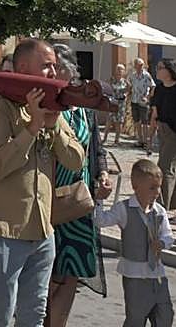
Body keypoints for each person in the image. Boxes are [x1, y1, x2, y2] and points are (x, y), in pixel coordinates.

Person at [0, 38, 85, 327]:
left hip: (42, 230)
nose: (54, 74)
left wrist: (53, 123)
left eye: (55, 67)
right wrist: (32, 127)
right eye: (47, 66)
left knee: (33, 316)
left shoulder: (50, 110)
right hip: (1, 230)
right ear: (23, 67)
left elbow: (76, 160)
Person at [46, 45, 112, 327]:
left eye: (57, 66)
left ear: (70, 71)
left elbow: (96, 148)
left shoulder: (84, 110)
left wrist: (104, 174)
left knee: (71, 270)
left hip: (79, 202)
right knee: (47, 271)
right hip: (48, 201)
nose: (52, 71)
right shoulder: (44, 105)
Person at [91, 159, 175, 327]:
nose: (157, 192)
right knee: (136, 317)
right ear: (136, 187)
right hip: (134, 274)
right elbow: (100, 220)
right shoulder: (124, 208)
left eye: (159, 187)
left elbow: (168, 235)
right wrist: (99, 201)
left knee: (165, 315)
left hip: (157, 274)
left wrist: (163, 243)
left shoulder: (159, 211)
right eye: (152, 188)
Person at [148, 58, 176, 218]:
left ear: (169, 70)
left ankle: (160, 209)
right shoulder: (159, 89)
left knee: (165, 169)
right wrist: (150, 136)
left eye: (160, 67)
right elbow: (155, 114)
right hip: (163, 132)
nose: (157, 70)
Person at [128, 57, 154, 150]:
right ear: (135, 66)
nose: (140, 66)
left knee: (145, 121)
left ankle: (146, 141)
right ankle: (140, 140)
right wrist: (129, 93)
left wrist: (147, 97)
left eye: (142, 65)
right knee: (136, 121)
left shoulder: (147, 75)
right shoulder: (133, 75)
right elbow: (129, 85)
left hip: (143, 102)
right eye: (139, 65)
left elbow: (153, 86)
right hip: (134, 100)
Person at [103, 62, 129, 145]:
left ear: (124, 71)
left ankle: (117, 140)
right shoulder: (112, 80)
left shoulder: (125, 81)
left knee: (119, 122)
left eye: (121, 69)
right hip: (112, 102)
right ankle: (104, 139)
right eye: (118, 69)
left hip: (121, 103)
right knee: (109, 121)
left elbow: (128, 89)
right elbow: (106, 87)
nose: (119, 71)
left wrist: (126, 91)